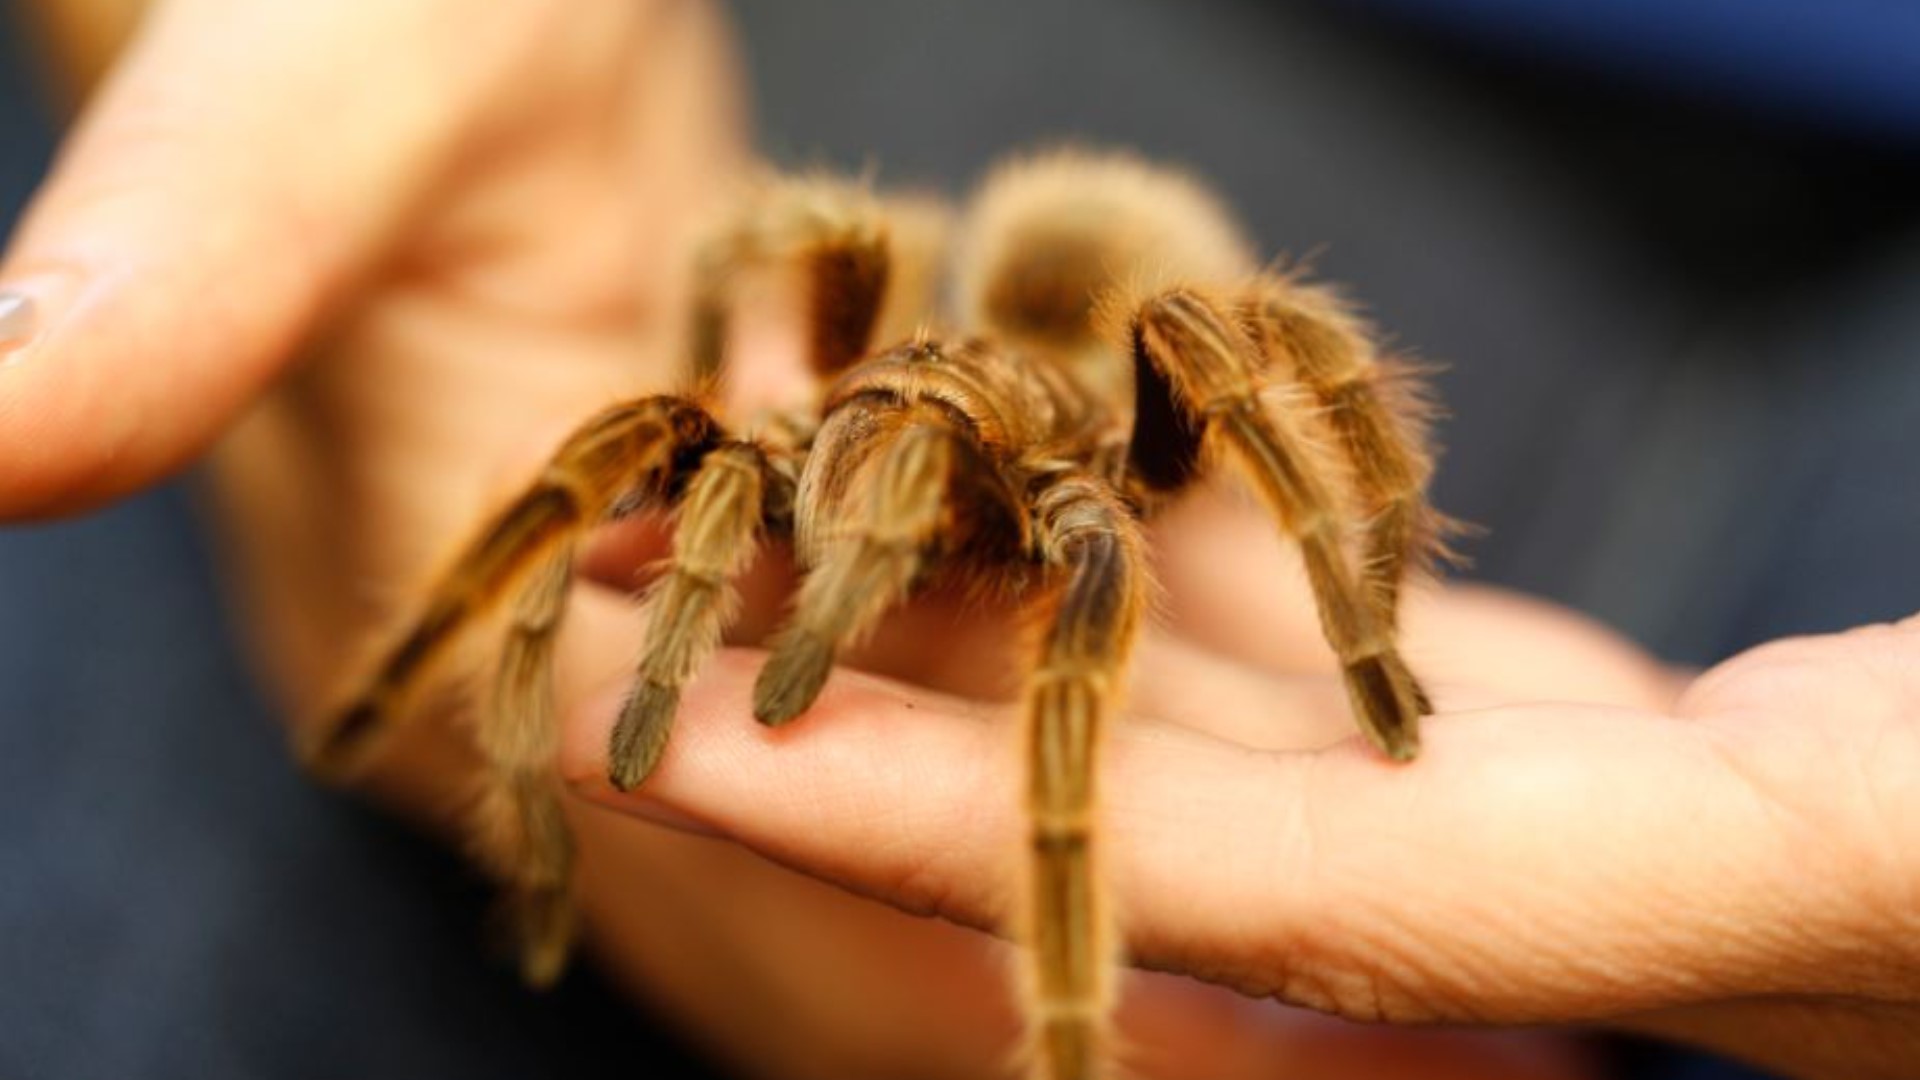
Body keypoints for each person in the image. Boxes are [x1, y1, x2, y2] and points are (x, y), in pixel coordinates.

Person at [2, 2, 1914, 1078]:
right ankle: (426, 687)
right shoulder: (832, 359)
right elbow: (755, 264)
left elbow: (1271, 360)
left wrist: (1370, 642)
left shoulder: (1139, 398)